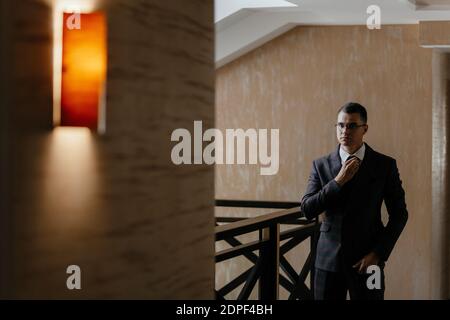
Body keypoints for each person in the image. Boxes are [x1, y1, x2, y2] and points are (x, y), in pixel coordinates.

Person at [301, 102, 408, 300]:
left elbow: (400, 214)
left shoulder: (385, 165)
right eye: (340, 125)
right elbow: (307, 209)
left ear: (364, 129)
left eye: (352, 126)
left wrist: (378, 254)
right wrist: (338, 181)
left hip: (370, 262)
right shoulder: (320, 165)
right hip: (327, 262)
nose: (345, 131)